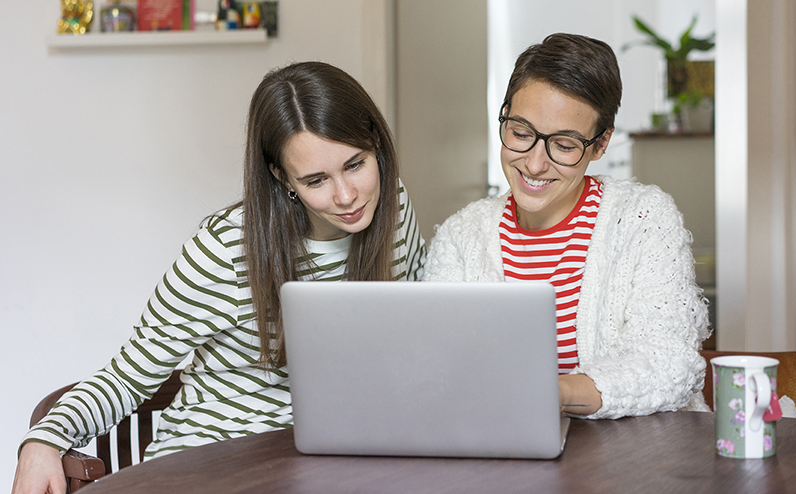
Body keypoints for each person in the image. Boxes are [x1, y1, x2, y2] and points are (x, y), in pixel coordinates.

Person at [13, 61, 425, 494]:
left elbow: (416, 332)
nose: (346, 196)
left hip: (323, 469)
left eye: (356, 165)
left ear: (376, 142)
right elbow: (127, 376)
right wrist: (42, 440)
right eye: (316, 180)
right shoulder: (227, 249)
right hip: (206, 467)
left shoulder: (392, 207)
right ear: (281, 176)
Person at [424, 33, 711, 420]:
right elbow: (439, 366)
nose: (535, 164)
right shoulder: (462, 236)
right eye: (521, 133)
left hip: (631, 461)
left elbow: (669, 363)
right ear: (504, 114)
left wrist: (549, 393)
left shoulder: (643, 217)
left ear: (601, 144)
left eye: (563, 145)